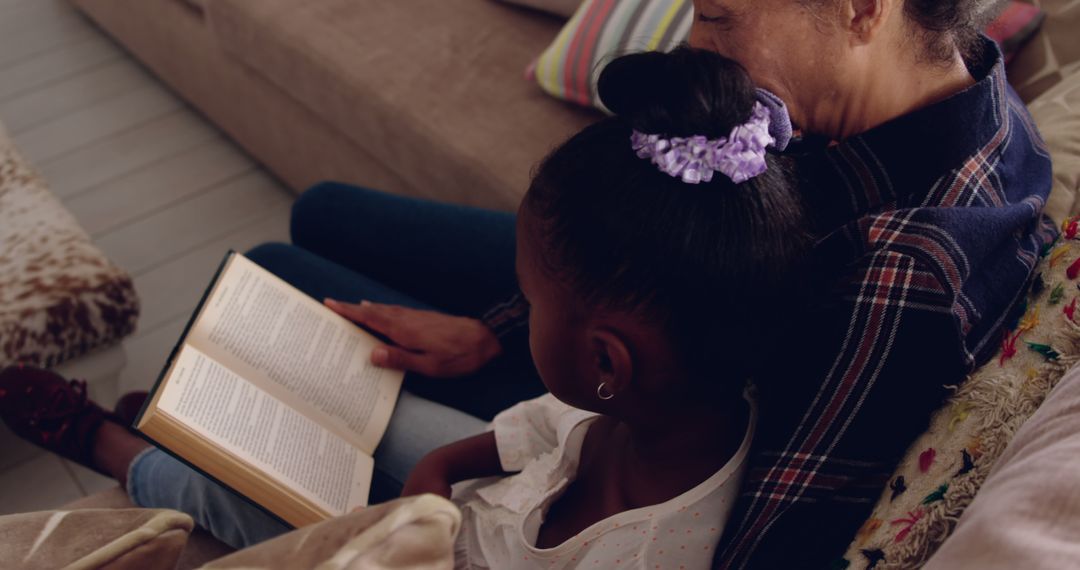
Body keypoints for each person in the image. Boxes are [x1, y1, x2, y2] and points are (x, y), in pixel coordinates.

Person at [1, 0, 1056, 566]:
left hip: (648, 381)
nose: (700, 41)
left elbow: (756, 533)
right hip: (633, 333)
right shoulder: (935, 95)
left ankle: (145, 444)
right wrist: (493, 330)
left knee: (279, 280)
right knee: (322, 214)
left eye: (719, 15)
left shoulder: (902, 276)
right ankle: (194, 420)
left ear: (860, 7)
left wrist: (517, 345)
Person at [403, 48, 809, 568]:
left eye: (530, 302)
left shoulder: (645, 555)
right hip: (452, 515)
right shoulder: (643, 408)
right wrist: (435, 468)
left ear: (605, 362)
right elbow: (538, 430)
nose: (522, 313)